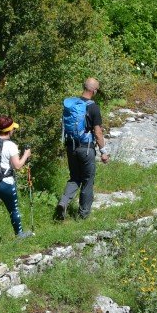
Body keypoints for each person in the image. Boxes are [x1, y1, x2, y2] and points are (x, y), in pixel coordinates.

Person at [55, 77, 110, 221]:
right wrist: (103, 152)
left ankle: (64, 202)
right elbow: (98, 133)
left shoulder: (72, 105)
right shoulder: (93, 107)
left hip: (71, 147)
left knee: (74, 177)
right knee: (87, 180)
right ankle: (83, 215)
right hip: (86, 149)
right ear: (94, 91)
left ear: (84, 87)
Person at [0, 115, 34, 243]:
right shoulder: (11, 145)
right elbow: (17, 166)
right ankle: (19, 234)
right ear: (10, 130)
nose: (14, 131)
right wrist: (26, 155)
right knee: (13, 209)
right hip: (5, 183)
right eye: (13, 129)